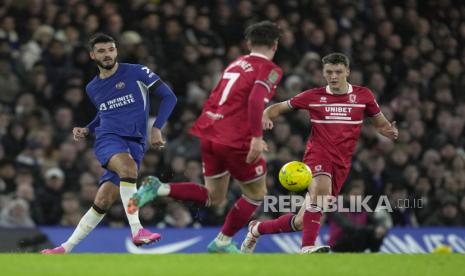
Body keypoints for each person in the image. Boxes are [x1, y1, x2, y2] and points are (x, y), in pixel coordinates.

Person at [128, 21, 283, 253]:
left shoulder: (236, 64)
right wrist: (256, 137)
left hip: (210, 132)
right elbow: (254, 99)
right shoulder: (270, 69)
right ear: (275, 45)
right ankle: (222, 242)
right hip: (235, 139)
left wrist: (255, 118)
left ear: (249, 43)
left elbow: (228, 98)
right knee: (256, 194)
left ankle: (160, 188)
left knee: (215, 196)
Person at [240, 52, 398, 253]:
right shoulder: (313, 96)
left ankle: (256, 229)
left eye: (338, 72)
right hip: (318, 155)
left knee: (300, 222)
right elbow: (278, 108)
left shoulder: (363, 96)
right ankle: (307, 247)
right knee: (321, 196)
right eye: (329, 72)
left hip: (341, 163)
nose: (333, 76)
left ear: (347, 72)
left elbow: (380, 124)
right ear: (324, 73)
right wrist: (265, 115)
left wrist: (388, 130)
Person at [41, 33, 177, 254]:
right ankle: (138, 230)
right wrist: (91, 129)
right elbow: (105, 116)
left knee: (103, 200)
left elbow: (169, 97)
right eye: (102, 51)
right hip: (109, 139)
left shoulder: (137, 71)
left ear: (116, 51)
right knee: (128, 167)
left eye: (111, 49)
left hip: (136, 143)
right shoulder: (92, 87)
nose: (107, 54)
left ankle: (64, 248)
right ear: (92, 55)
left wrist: (157, 127)